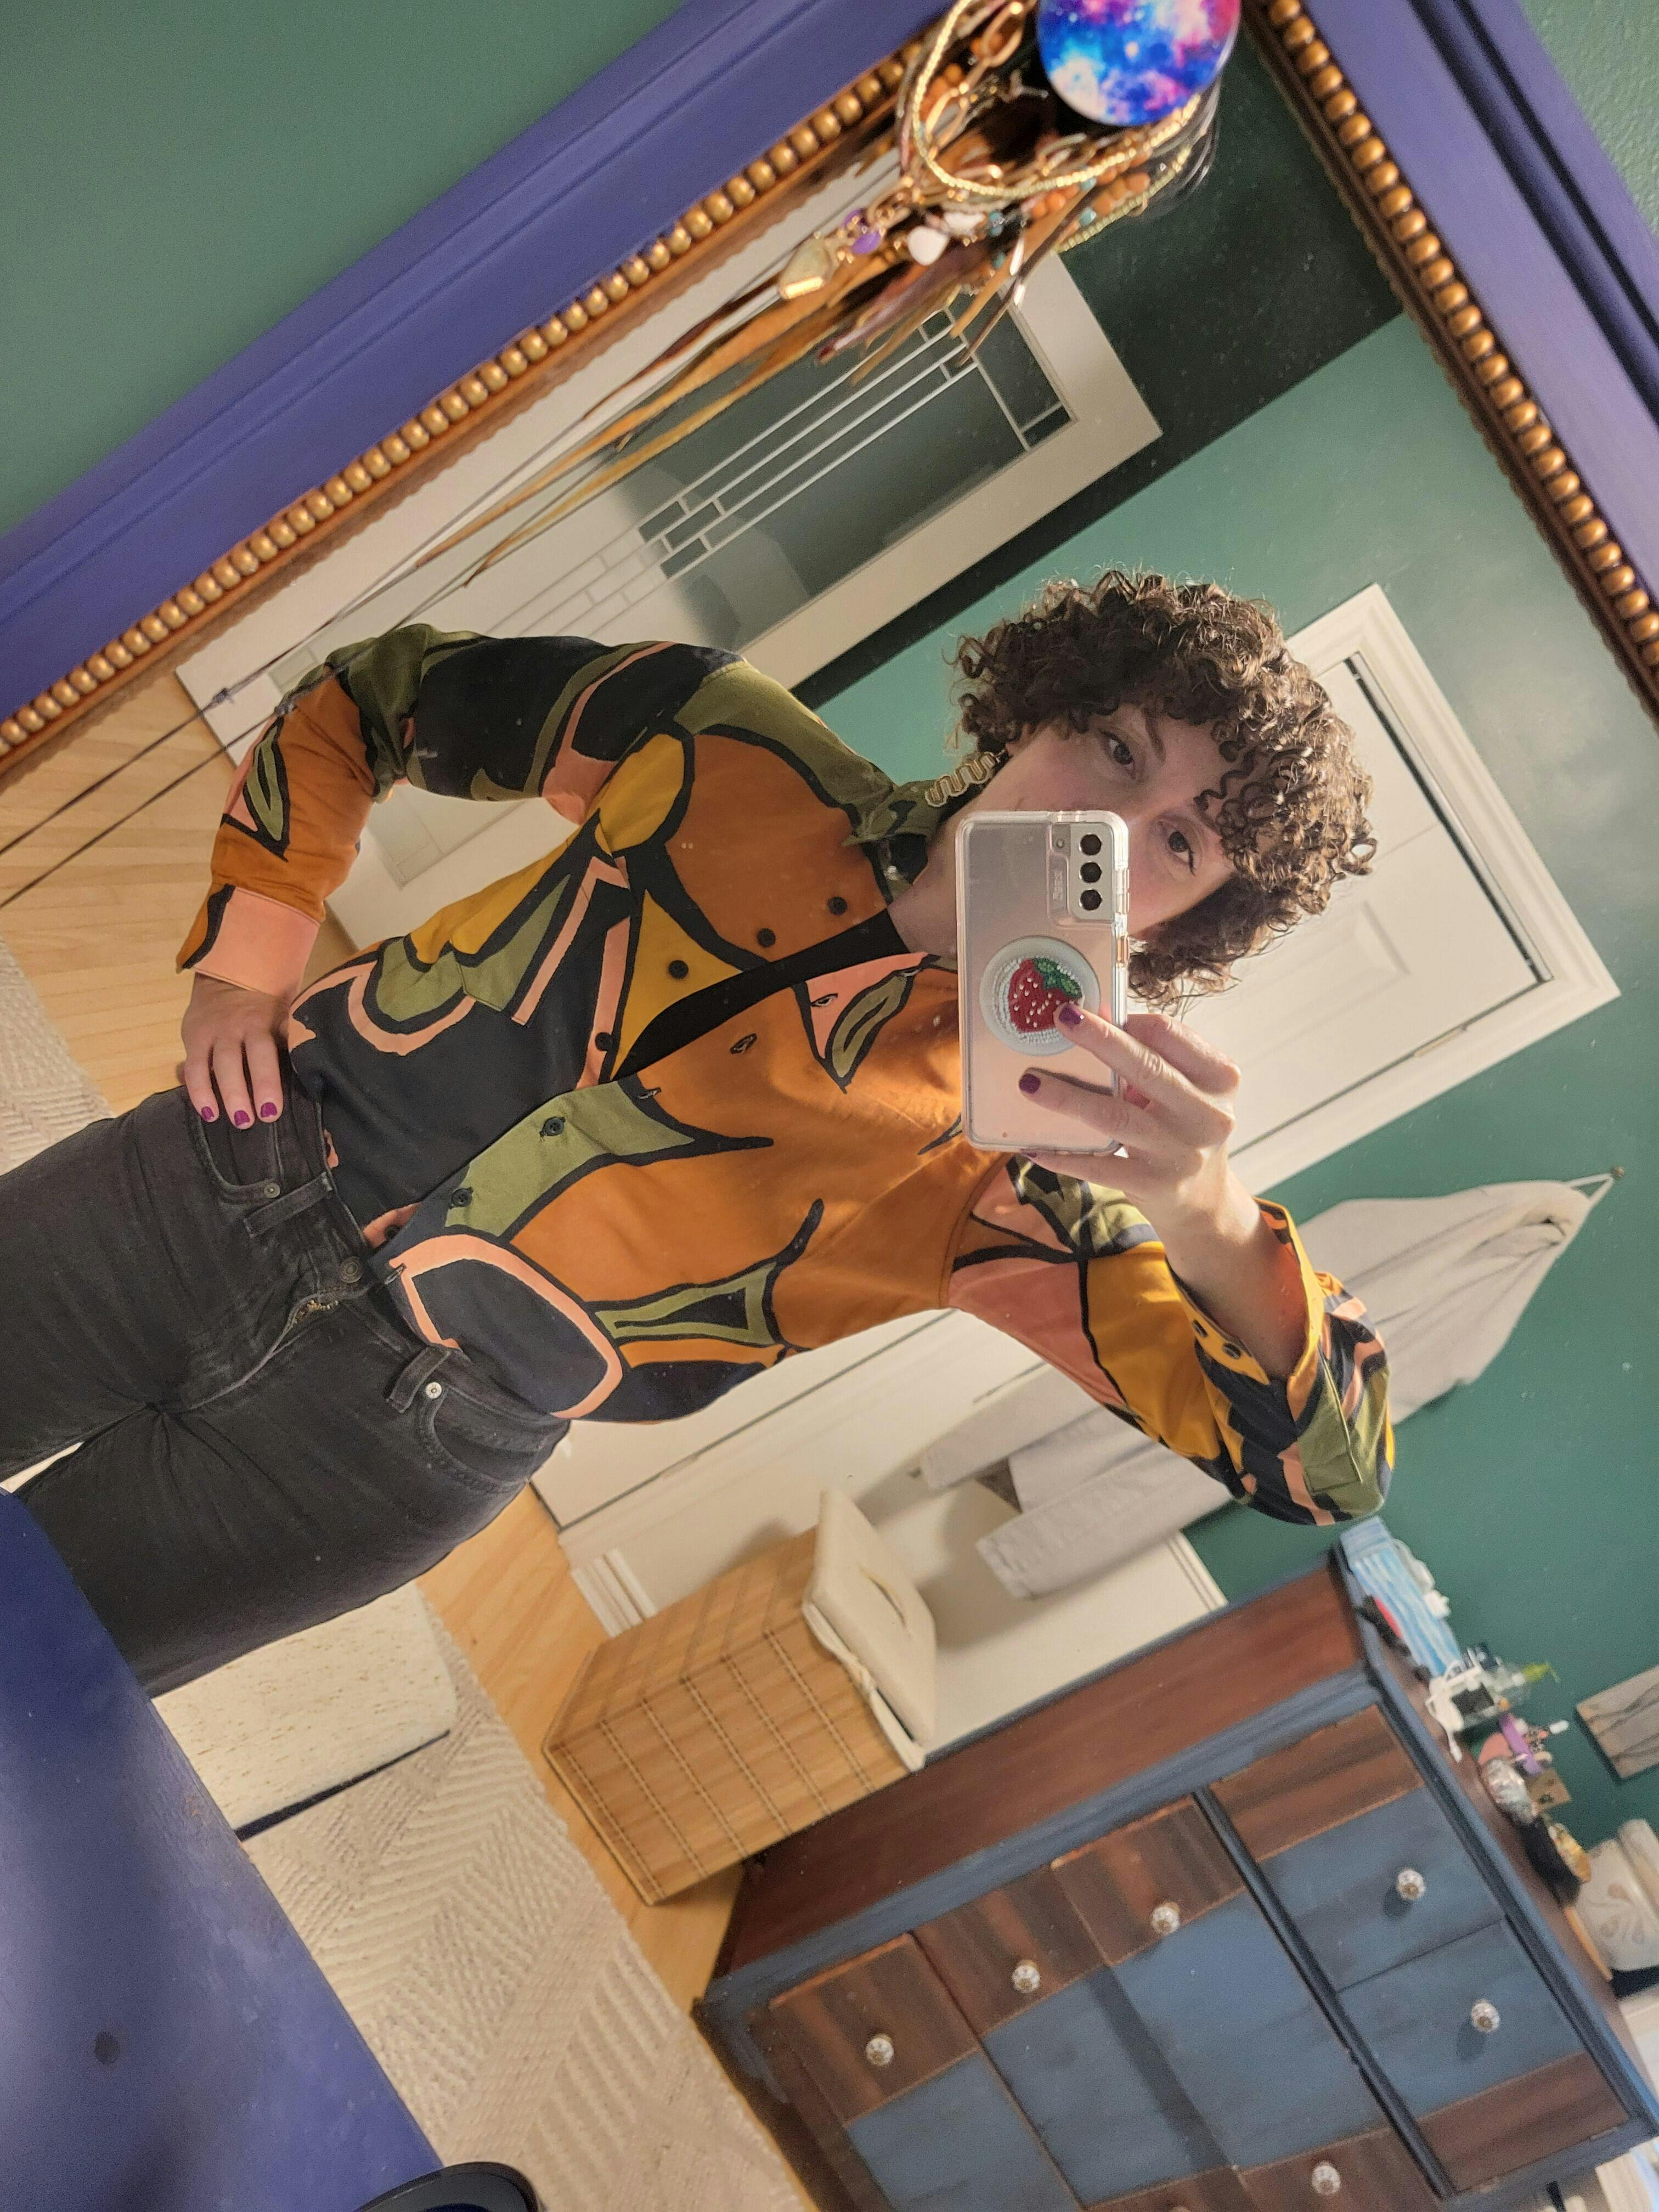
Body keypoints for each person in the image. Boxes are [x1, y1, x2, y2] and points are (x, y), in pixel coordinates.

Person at [1, 570, 1392, 1695]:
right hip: (198, 1193)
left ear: (1185, 921)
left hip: (385, 1457)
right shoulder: (718, 738)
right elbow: (373, 698)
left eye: (1181, 842)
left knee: (25, 1688)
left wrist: (1203, 1210)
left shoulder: (1016, 1166)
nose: (1112, 820)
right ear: (1044, 711)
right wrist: (246, 962)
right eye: (1118, 749)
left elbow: (1328, 1473)